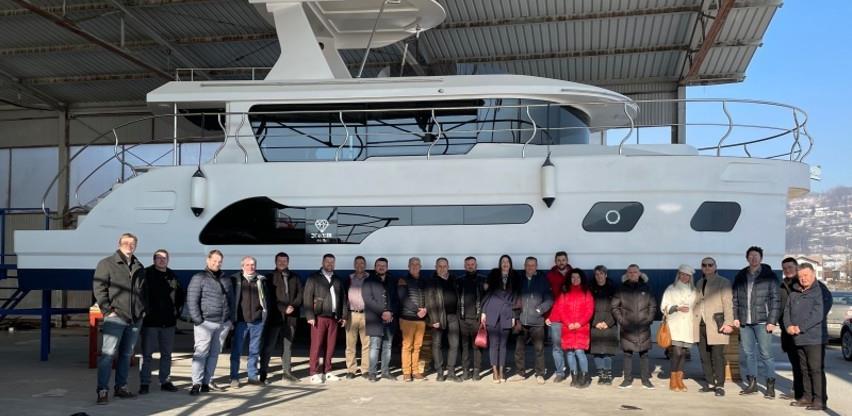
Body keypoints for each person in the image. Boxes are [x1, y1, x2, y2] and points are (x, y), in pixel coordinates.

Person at [93, 233, 147, 404]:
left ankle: (121, 387)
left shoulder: (139, 266)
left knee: (126, 355)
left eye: (132, 243)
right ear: (119, 244)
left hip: (134, 318)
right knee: (108, 355)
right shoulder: (106, 263)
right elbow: (99, 288)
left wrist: (142, 311)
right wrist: (108, 311)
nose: (129, 246)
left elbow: (143, 292)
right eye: (126, 242)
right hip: (116, 316)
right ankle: (102, 390)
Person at [732, 246, 780, 398]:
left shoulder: (769, 276)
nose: (753, 258)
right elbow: (735, 298)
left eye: (756, 256)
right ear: (747, 258)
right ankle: (752, 385)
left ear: (761, 258)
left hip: (763, 322)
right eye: (751, 256)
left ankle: (770, 386)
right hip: (745, 322)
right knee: (748, 354)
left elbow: (775, 300)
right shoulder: (741, 275)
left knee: (766, 354)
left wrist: (772, 320)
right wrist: (736, 317)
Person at [785, 263, 833, 411]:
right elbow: (787, 311)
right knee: (803, 369)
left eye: (806, 275)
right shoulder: (794, 292)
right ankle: (807, 397)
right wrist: (788, 326)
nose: (803, 279)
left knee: (815, 369)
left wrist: (800, 327)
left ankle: (820, 400)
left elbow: (818, 314)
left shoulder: (820, 291)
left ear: (813, 275)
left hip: (815, 338)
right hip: (798, 337)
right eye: (800, 276)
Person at [187, 249, 233, 396]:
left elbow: (231, 300)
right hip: (205, 322)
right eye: (214, 261)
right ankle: (196, 383)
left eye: (219, 261)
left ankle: (207, 382)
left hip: (223, 323)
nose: (217, 263)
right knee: (201, 353)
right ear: (208, 260)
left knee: (214, 354)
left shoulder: (225, 278)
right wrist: (198, 320)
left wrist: (230, 320)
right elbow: (192, 300)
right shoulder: (199, 278)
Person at [139, 249, 184, 394]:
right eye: (159, 258)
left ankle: (165, 381)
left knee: (167, 354)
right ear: (154, 260)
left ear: (168, 260)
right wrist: (143, 312)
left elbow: (180, 295)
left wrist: (177, 312)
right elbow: (139, 295)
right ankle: (144, 383)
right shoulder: (146, 274)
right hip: (150, 322)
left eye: (164, 258)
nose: (162, 260)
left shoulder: (172, 275)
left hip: (168, 322)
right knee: (147, 355)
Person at [303, 253, 347, 384]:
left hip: (334, 318)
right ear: (322, 263)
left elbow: (343, 299)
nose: (330, 264)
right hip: (318, 317)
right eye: (327, 262)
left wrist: (344, 316)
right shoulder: (313, 278)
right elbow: (307, 297)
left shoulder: (337, 279)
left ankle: (327, 371)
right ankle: (313, 373)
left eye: (332, 262)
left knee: (331, 346)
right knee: (316, 346)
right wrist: (310, 315)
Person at [259, 252, 302, 384]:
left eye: (284, 261)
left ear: (288, 262)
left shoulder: (295, 277)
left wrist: (293, 306)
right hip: (275, 317)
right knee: (268, 346)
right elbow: (269, 298)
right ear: (275, 262)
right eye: (280, 261)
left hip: (291, 317)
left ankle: (287, 373)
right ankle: (263, 374)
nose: (282, 263)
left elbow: (300, 294)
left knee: (287, 346)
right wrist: (283, 308)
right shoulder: (269, 278)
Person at [612, 264, 657, 390]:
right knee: (627, 354)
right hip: (627, 327)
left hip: (643, 326)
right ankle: (627, 380)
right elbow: (614, 307)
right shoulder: (621, 289)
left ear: (639, 273)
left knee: (644, 354)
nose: (632, 274)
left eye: (635, 272)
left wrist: (648, 320)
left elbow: (653, 306)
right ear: (627, 274)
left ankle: (645, 380)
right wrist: (622, 320)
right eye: (630, 272)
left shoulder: (646, 288)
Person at [694, 257, 734, 396]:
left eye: (710, 265)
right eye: (704, 265)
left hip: (717, 324)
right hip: (700, 324)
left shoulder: (723, 282)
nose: (707, 267)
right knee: (704, 356)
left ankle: (720, 385)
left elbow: (728, 304)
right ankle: (710, 383)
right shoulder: (699, 282)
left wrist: (728, 323)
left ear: (715, 266)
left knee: (717, 356)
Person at [549, 268, 594, 388]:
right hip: (568, 327)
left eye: (578, 277)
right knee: (569, 353)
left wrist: (580, 323)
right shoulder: (564, 293)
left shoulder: (587, 293)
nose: (575, 279)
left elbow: (589, 310)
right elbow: (561, 309)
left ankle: (584, 376)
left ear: (581, 279)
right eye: (573, 277)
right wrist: (568, 323)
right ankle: (574, 376)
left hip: (581, 328)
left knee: (579, 352)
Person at [510, 256, 552, 384]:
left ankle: (540, 374)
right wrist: (516, 315)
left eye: (533, 265)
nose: (530, 267)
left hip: (537, 322)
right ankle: (520, 373)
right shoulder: (520, 279)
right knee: (519, 349)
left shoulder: (542, 280)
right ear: (524, 266)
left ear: (536, 267)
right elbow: (514, 297)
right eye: (528, 265)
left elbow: (549, 299)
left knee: (539, 349)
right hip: (522, 320)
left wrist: (540, 310)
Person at [229, 256, 268, 387]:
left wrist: (263, 315)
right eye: (247, 265)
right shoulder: (235, 280)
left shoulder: (261, 280)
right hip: (241, 322)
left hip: (257, 321)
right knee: (237, 351)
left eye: (253, 265)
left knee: (254, 351)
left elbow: (266, 299)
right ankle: (234, 377)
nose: (250, 267)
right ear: (242, 266)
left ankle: (252, 376)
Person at [661, 265, 699, 392]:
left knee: (683, 353)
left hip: (688, 325)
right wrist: (676, 308)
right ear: (678, 275)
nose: (684, 277)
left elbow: (697, 307)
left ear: (690, 277)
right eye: (682, 274)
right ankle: (673, 379)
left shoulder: (694, 290)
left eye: (687, 275)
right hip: (675, 324)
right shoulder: (671, 288)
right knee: (676, 352)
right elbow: (664, 306)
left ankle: (680, 379)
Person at [481, 254, 519, 384]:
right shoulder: (493, 274)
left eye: (507, 261)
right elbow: (487, 294)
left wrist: (514, 315)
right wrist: (483, 312)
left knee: (503, 345)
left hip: (507, 313)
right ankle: (494, 371)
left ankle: (502, 371)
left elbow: (516, 298)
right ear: (500, 263)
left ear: (510, 264)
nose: (505, 263)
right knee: (493, 344)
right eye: (503, 261)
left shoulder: (515, 277)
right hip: (492, 311)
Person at [426, 257, 462, 382]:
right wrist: (434, 319)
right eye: (439, 266)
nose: (442, 268)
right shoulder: (432, 281)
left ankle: (451, 372)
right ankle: (440, 372)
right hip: (438, 317)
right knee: (437, 344)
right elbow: (429, 301)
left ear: (448, 267)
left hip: (453, 316)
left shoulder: (454, 280)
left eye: (444, 266)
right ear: (436, 268)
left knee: (454, 344)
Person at [363, 257, 398, 382]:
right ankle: (372, 373)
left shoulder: (392, 281)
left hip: (390, 319)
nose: (381, 267)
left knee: (387, 347)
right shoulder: (368, 281)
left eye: (384, 265)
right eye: (379, 265)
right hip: (375, 319)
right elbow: (368, 299)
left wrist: (390, 312)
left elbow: (396, 299)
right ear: (375, 267)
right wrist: (383, 312)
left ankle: (385, 372)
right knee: (374, 347)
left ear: (387, 267)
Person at [397, 257, 429, 382]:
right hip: (408, 319)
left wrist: (426, 309)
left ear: (420, 266)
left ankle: (415, 371)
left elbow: (428, 297)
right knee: (407, 346)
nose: (415, 266)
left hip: (421, 320)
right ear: (408, 266)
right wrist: (417, 311)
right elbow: (403, 298)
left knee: (417, 346)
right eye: (412, 264)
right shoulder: (403, 280)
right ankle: (406, 372)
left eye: (417, 264)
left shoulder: (424, 281)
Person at [545, 251, 572, 382]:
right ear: (555, 261)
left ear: (567, 260)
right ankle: (560, 372)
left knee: (571, 346)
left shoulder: (574, 274)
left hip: (571, 317)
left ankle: (574, 371)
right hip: (555, 316)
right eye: (559, 260)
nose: (561, 262)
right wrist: (547, 315)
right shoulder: (550, 275)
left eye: (563, 260)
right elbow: (546, 296)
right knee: (557, 347)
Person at [457, 256, 486, 381]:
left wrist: (483, 314)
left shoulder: (483, 280)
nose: (470, 266)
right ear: (465, 266)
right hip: (463, 319)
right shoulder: (459, 280)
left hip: (477, 319)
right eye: (468, 264)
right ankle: (465, 371)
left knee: (477, 346)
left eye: (472, 264)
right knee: (464, 347)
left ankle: (476, 371)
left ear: (476, 265)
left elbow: (486, 299)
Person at [589, 265, 618, 385]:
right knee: (597, 352)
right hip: (595, 325)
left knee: (607, 352)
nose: (599, 276)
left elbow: (617, 308)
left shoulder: (614, 289)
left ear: (606, 275)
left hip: (609, 325)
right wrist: (595, 323)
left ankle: (608, 375)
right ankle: (601, 375)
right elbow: (587, 308)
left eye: (601, 274)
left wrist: (608, 323)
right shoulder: (590, 289)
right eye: (597, 274)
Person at [778, 257, 802, 401]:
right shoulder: (782, 286)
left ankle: (806, 392)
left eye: (790, 267)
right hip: (787, 331)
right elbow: (779, 307)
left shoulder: (804, 282)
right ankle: (797, 391)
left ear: (796, 267)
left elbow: (825, 300)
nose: (787, 270)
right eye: (785, 268)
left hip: (802, 331)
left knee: (804, 364)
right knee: (795, 363)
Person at [344, 256, 371, 379]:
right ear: (354, 265)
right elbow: (343, 298)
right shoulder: (349, 279)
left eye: (362, 263)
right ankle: (351, 370)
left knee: (367, 345)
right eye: (357, 263)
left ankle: (365, 370)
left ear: (365, 265)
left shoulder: (370, 279)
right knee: (350, 345)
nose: (359, 265)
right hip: (351, 315)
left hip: (367, 315)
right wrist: (344, 315)